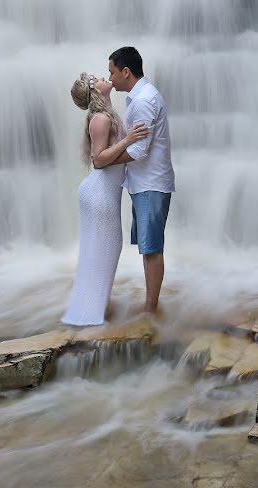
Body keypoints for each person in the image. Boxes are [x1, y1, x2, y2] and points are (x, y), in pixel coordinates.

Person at [60, 73, 148, 326]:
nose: (102, 76)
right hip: (98, 193)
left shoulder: (108, 114)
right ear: (94, 90)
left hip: (105, 192)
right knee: (104, 248)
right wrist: (129, 140)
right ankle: (89, 314)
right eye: (95, 78)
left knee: (107, 247)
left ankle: (93, 309)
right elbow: (98, 160)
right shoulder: (99, 119)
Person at [100, 46, 176, 317]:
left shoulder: (144, 101)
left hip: (151, 184)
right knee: (148, 247)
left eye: (111, 72)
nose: (109, 78)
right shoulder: (139, 97)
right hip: (144, 183)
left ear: (126, 72)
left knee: (152, 248)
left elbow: (138, 151)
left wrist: (104, 160)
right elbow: (128, 138)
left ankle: (150, 310)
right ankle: (150, 306)